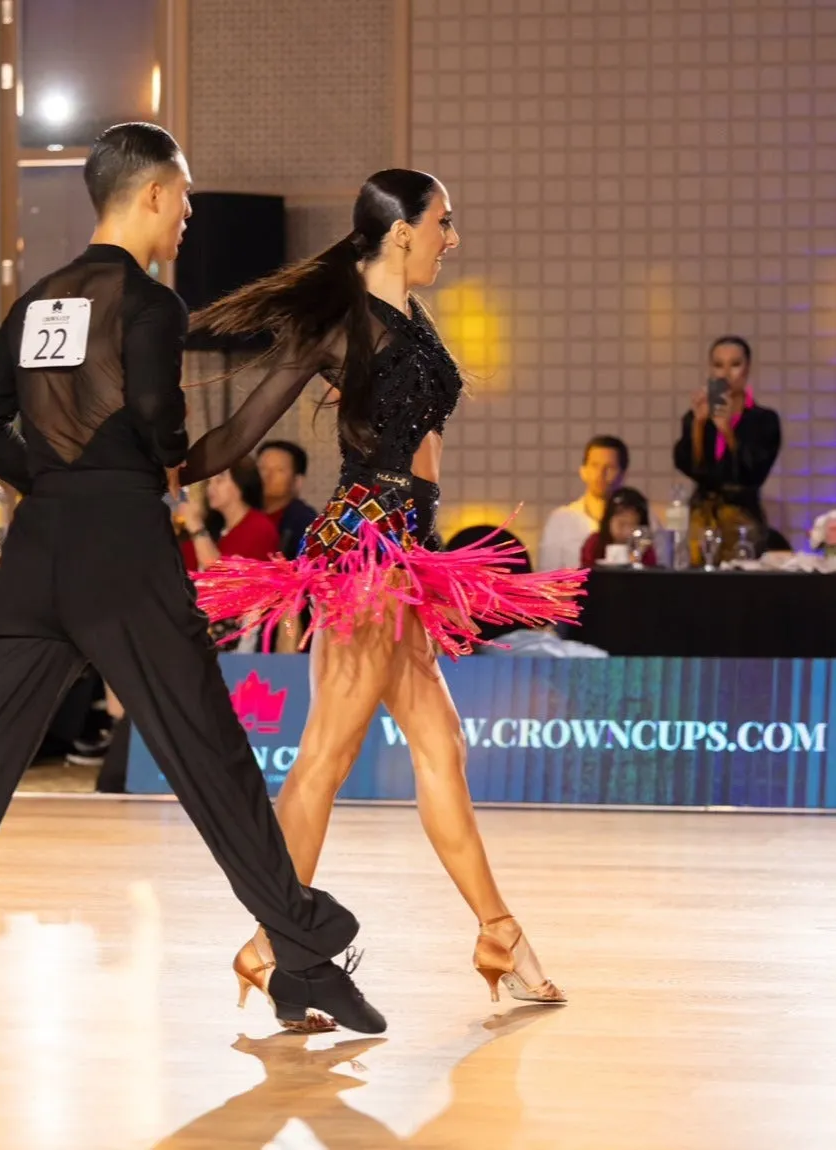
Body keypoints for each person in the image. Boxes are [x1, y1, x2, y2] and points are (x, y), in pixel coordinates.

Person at [0, 122, 383, 1071]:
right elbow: (157, 421)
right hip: (124, 551)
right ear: (149, 195)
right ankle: (303, 944)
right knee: (208, 756)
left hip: (39, 548)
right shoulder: (149, 302)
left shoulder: (40, 300)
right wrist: (148, 459)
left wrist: (53, 478)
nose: (188, 213)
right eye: (183, 195)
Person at [179, 169, 584, 1009]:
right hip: (364, 552)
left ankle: (498, 932)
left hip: (408, 550)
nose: (454, 237)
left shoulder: (412, 315)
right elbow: (238, 434)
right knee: (327, 753)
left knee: (441, 746)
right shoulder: (340, 324)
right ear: (402, 230)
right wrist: (143, 466)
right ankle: (271, 941)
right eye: (445, 221)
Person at [674, 336, 781, 559]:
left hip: (744, 521)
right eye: (718, 365)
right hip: (701, 520)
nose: (726, 373)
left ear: (747, 369)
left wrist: (728, 432)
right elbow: (691, 467)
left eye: (735, 364)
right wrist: (699, 426)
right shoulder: (695, 418)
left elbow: (754, 473)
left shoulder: (764, 420)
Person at [537, 436, 629, 571]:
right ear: (583, 471)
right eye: (594, 465)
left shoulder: (642, 518)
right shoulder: (561, 519)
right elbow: (546, 575)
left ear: (622, 474)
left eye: (609, 467)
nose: (600, 473)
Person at [178, 456, 279, 571]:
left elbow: (222, 576)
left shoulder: (259, 527)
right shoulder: (215, 525)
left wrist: (195, 525)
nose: (211, 488)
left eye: (219, 480)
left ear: (240, 483)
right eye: (209, 482)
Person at [257, 440, 318, 560]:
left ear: (297, 481)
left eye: (279, 470)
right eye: (262, 468)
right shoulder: (241, 511)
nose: (267, 476)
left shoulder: (305, 522)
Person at [580, 487, 656, 567]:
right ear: (609, 521)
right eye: (621, 524)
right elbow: (585, 573)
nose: (626, 531)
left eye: (632, 524)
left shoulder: (643, 548)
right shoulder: (595, 542)